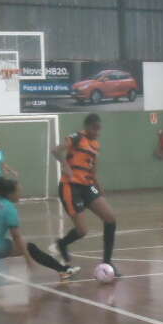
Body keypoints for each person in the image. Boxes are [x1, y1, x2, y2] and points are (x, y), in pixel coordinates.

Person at [50, 113, 121, 277]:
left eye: (99, 129)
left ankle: (107, 262)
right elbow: (55, 150)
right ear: (87, 126)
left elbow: (92, 167)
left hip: (88, 186)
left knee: (110, 218)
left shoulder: (96, 144)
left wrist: (98, 184)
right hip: (70, 186)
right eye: (94, 128)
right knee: (82, 231)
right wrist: (65, 165)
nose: (97, 132)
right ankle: (62, 244)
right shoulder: (76, 137)